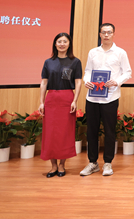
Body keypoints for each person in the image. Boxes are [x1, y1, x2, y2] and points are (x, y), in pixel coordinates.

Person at [80, 23, 132, 177]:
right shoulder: (93, 52)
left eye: (109, 32)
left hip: (110, 97)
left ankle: (108, 163)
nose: (106, 35)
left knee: (109, 131)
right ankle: (92, 163)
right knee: (91, 131)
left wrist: (117, 81)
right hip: (92, 97)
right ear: (100, 34)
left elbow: (127, 72)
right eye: (104, 32)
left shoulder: (120, 52)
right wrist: (86, 81)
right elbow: (88, 71)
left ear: (114, 34)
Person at [39, 33, 83, 177]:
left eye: (65, 41)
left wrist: (75, 100)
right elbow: (44, 82)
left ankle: (62, 165)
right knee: (50, 133)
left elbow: (78, 82)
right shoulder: (48, 62)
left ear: (69, 44)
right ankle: (53, 166)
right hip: (51, 98)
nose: (62, 44)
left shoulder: (75, 62)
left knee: (65, 132)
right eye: (59, 41)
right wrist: (41, 102)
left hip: (67, 98)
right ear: (55, 44)